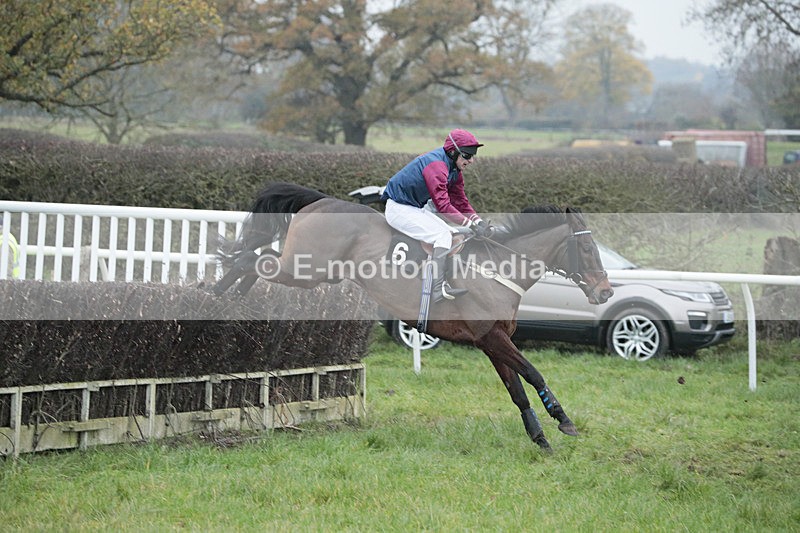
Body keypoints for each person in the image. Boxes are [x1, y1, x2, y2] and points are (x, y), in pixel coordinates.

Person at [381, 128, 492, 303]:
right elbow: (443, 206)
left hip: (414, 208)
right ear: (453, 152)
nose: (471, 160)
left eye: (473, 155)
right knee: (442, 236)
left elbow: (460, 201)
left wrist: (477, 220)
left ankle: (442, 279)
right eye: (467, 155)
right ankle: (436, 289)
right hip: (399, 209)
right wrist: (469, 224)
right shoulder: (437, 167)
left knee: (453, 235)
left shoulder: (454, 169)